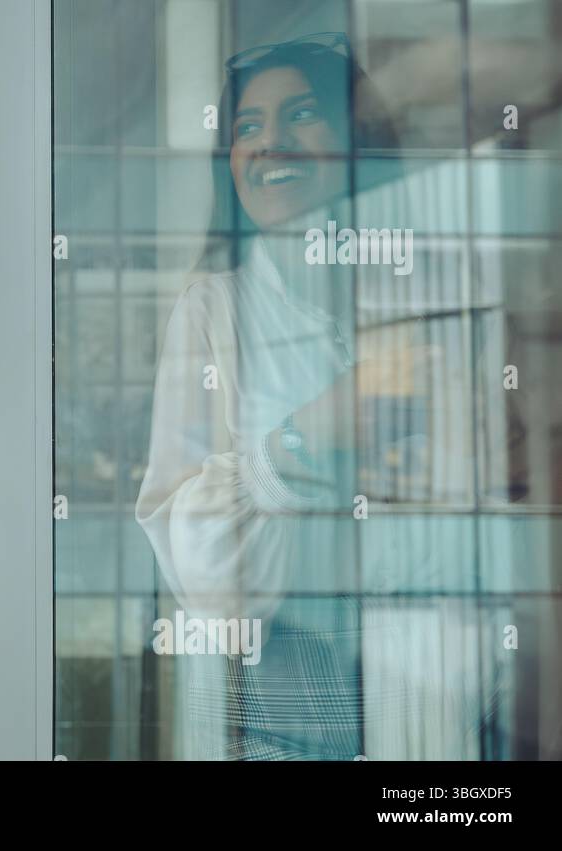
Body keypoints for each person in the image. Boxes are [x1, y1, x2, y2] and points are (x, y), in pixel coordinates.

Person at [135, 33, 424, 759]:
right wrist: (310, 433)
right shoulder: (211, 309)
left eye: (301, 114)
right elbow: (184, 539)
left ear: (355, 139)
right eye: (248, 128)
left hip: (428, 666)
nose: (271, 143)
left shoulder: (423, 287)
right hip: (280, 681)